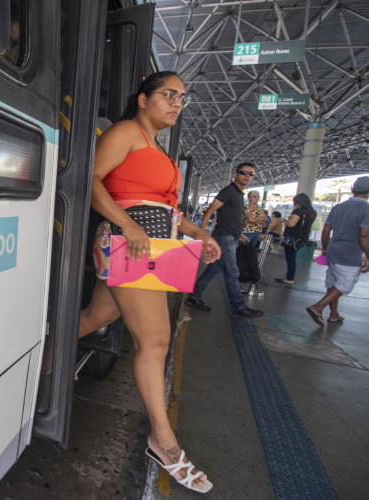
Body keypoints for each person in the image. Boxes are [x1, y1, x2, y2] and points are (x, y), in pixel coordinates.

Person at [78, 71, 219, 494]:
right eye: (168, 95)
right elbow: (89, 180)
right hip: (130, 244)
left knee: (96, 315)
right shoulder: (126, 131)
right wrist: (127, 225)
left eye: (182, 98)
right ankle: (164, 442)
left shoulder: (156, 146)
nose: (176, 103)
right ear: (143, 99)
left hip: (149, 245)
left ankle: (45, 359)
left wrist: (199, 234)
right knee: (155, 340)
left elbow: (165, 209)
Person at [184, 163, 263, 318]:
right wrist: (201, 233)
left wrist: (239, 233)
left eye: (250, 173)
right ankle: (239, 307)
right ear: (235, 174)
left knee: (214, 269)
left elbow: (231, 217)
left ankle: (194, 296)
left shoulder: (239, 194)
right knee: (233, 272)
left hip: (231, 236)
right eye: (243, 172)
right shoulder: (229, 191)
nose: (247, 175)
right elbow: (211, 210)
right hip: (224, 237)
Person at [305, 177, 369, 326]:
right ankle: (318, 307)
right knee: (345, 284)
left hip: (333, 251)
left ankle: (334, 314)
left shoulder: (338, 207)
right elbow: (364, 233)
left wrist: (325, 248)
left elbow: (326, 229)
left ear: (352, 191)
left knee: (333, 283)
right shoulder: (366, 209)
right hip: (350, 254)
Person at [275, 193, 317, 285]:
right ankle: (289, 277)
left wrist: (286, 221)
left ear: (298, 202)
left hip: (293, 238)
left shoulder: (298, 211)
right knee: (292, 257)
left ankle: (290, 278)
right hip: (303, 239)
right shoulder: (312, 212)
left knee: (291, 258)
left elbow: (291, 224)